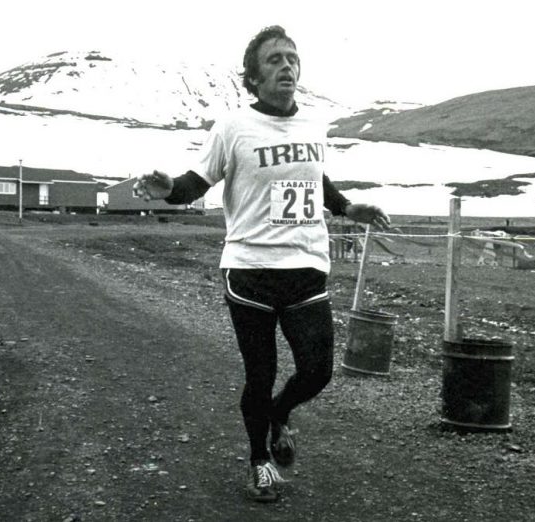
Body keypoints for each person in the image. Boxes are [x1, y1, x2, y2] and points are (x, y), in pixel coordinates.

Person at [133, 25, 390, 503]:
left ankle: (278, 414)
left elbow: (317, 182)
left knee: (317, 371)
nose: (286, 66)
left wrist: (348, 208)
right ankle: (260, 462)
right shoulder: (233, 128)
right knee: (261, 371)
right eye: (273, 60)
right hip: (249, 269)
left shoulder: (314, 127)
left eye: (291, 58)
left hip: (307, 267)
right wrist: (169, 190)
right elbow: (197, 181)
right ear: (252, 78)